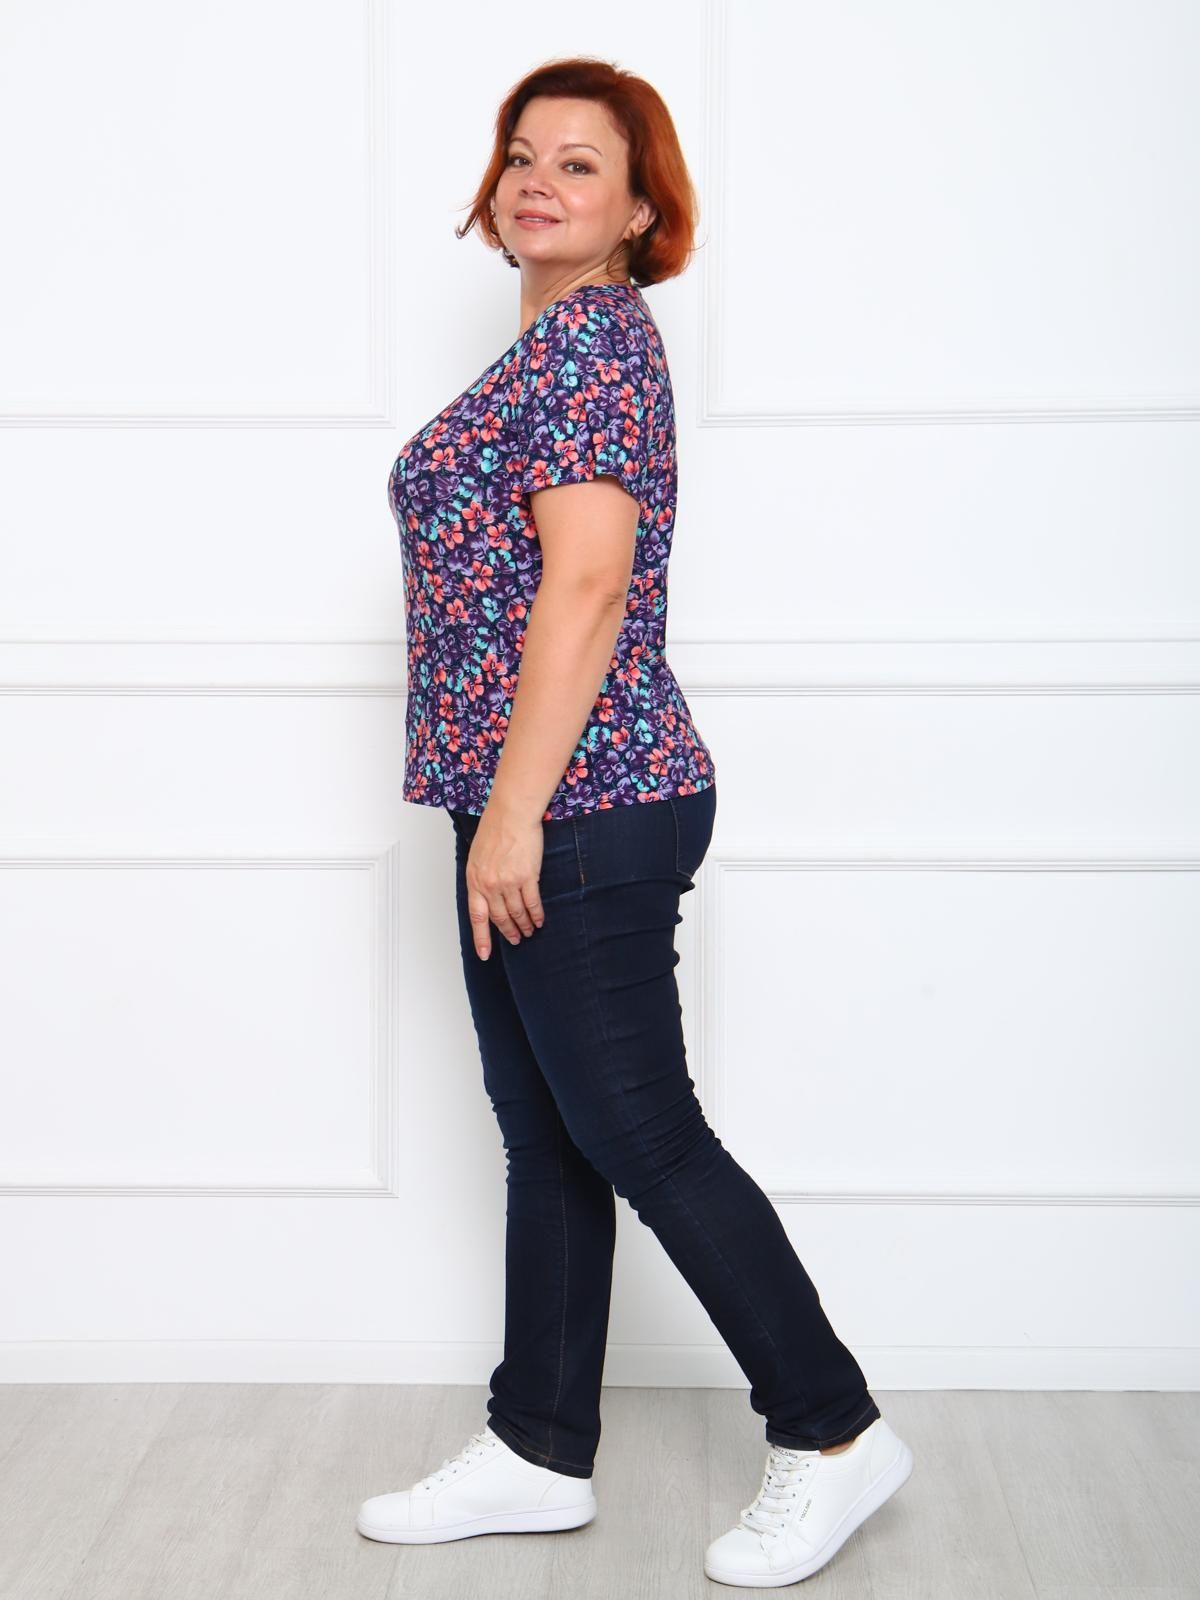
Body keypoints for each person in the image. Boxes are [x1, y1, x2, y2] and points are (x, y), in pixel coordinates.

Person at [357, 55, 913, 1588]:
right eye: (522, 156)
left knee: (643, 1136)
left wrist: (515, 814)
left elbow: (589, 587)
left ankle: (835, 1433)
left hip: (583, 802)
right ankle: (538, 1448)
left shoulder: (596, 344)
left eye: (581, 164)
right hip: (528, 799)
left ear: (640, 210)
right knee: (549, 1138)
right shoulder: (549, 352)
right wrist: (496, 809)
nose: (539, 182)